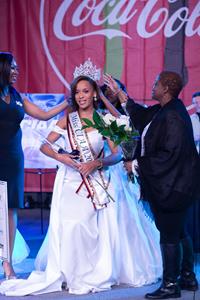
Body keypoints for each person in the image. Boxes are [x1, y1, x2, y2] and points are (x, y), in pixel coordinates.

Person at [0, 74, 162, 296]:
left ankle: (92, 272)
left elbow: (117, 155)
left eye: (85, 91)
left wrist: (98, 162)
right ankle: (70, 273)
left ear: (94, 93)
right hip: (70, 182)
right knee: (72, 227)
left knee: (91, 229)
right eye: (77, 92)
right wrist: (63, 157)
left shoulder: (104, 120)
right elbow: (45, 147)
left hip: (96, 181)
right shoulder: (68, 119)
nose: (81, 96)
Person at [104, 71, 200, 299]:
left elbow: (170, 154)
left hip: (175, 186)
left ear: (166, 88)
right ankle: (187, 276)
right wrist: (121, 95)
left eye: (156, 83)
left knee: (169, 234)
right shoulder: (165, 110)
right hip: (177, 184)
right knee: (178, 231)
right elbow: (142, 116)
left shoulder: (174, 115)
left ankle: (170, 285)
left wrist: (135, 164)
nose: (153, 86)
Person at [0, 52, 68, 279]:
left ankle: (7, 264)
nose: (17, 71)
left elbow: (44, 114)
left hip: (13, 160)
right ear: (2, 69)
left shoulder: (16, 95)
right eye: (13, 67)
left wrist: (69, 102)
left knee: (10, 210)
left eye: (18, 67)